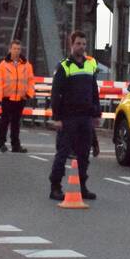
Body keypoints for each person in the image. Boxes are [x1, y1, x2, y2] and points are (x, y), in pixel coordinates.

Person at [48, 30, 101, 201]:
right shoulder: (64, 66)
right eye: (78, 43)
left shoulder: (89, 66)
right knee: (63, 153)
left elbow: (94, 92)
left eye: (84, 44)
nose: (81, 47)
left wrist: (96, 114)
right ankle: (55, 187)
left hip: (85, 117)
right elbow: (56, 94)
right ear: (71, 45)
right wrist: (57, 117)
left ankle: (82, 187)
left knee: (84, 154)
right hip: (68, 117)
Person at [0, 39, 36, 153]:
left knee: (16, 123)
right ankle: (1, 142)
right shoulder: (3, 65)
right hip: (7, 97)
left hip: (20, 98)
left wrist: (29, 94)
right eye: (14, 49)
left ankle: (15, 145)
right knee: (5, 121)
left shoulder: (27, 65)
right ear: (10, 50)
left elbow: (31, 80)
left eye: (18, 49)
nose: (16, 51)